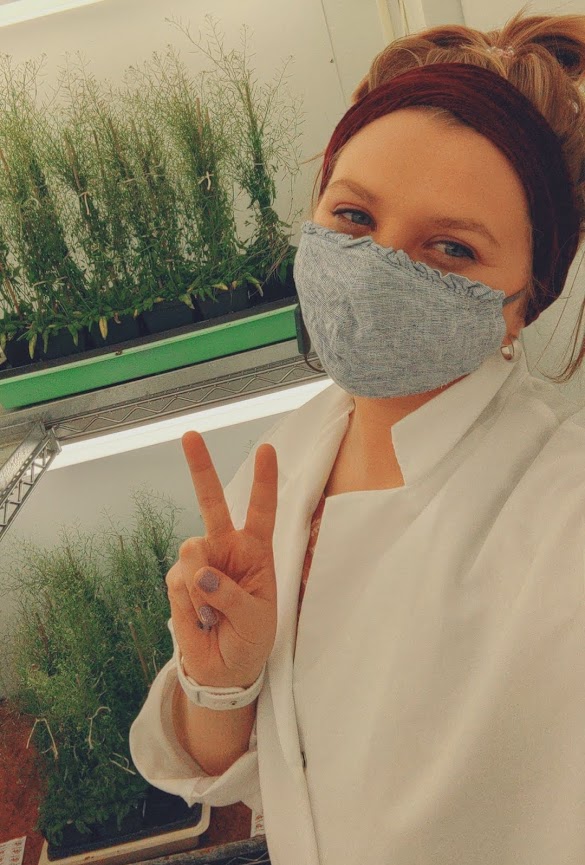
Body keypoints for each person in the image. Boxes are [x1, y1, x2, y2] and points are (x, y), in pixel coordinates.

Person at [130, 8, 585, 864]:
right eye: (353, 217)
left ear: (527, 298)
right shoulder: (285, 460)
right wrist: (220, 682)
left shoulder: (560, 511)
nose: (381, 269)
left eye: (450, 247)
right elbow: (221, 771)